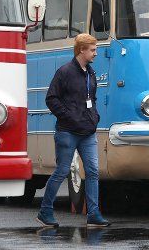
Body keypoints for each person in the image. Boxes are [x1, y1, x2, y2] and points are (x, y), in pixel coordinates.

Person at [36, 33, 111, 228]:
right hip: (67, 132)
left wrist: (94, 117)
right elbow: (51, 99)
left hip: (88, 132)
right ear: (81, 50)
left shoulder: (91, 73)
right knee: (62, 171)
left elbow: (92, 99)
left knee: (93, 172)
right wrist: (69, 117)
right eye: (93, 50)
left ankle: (93, 214)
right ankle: (45, 211)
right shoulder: (65, 72)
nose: (96, 53)